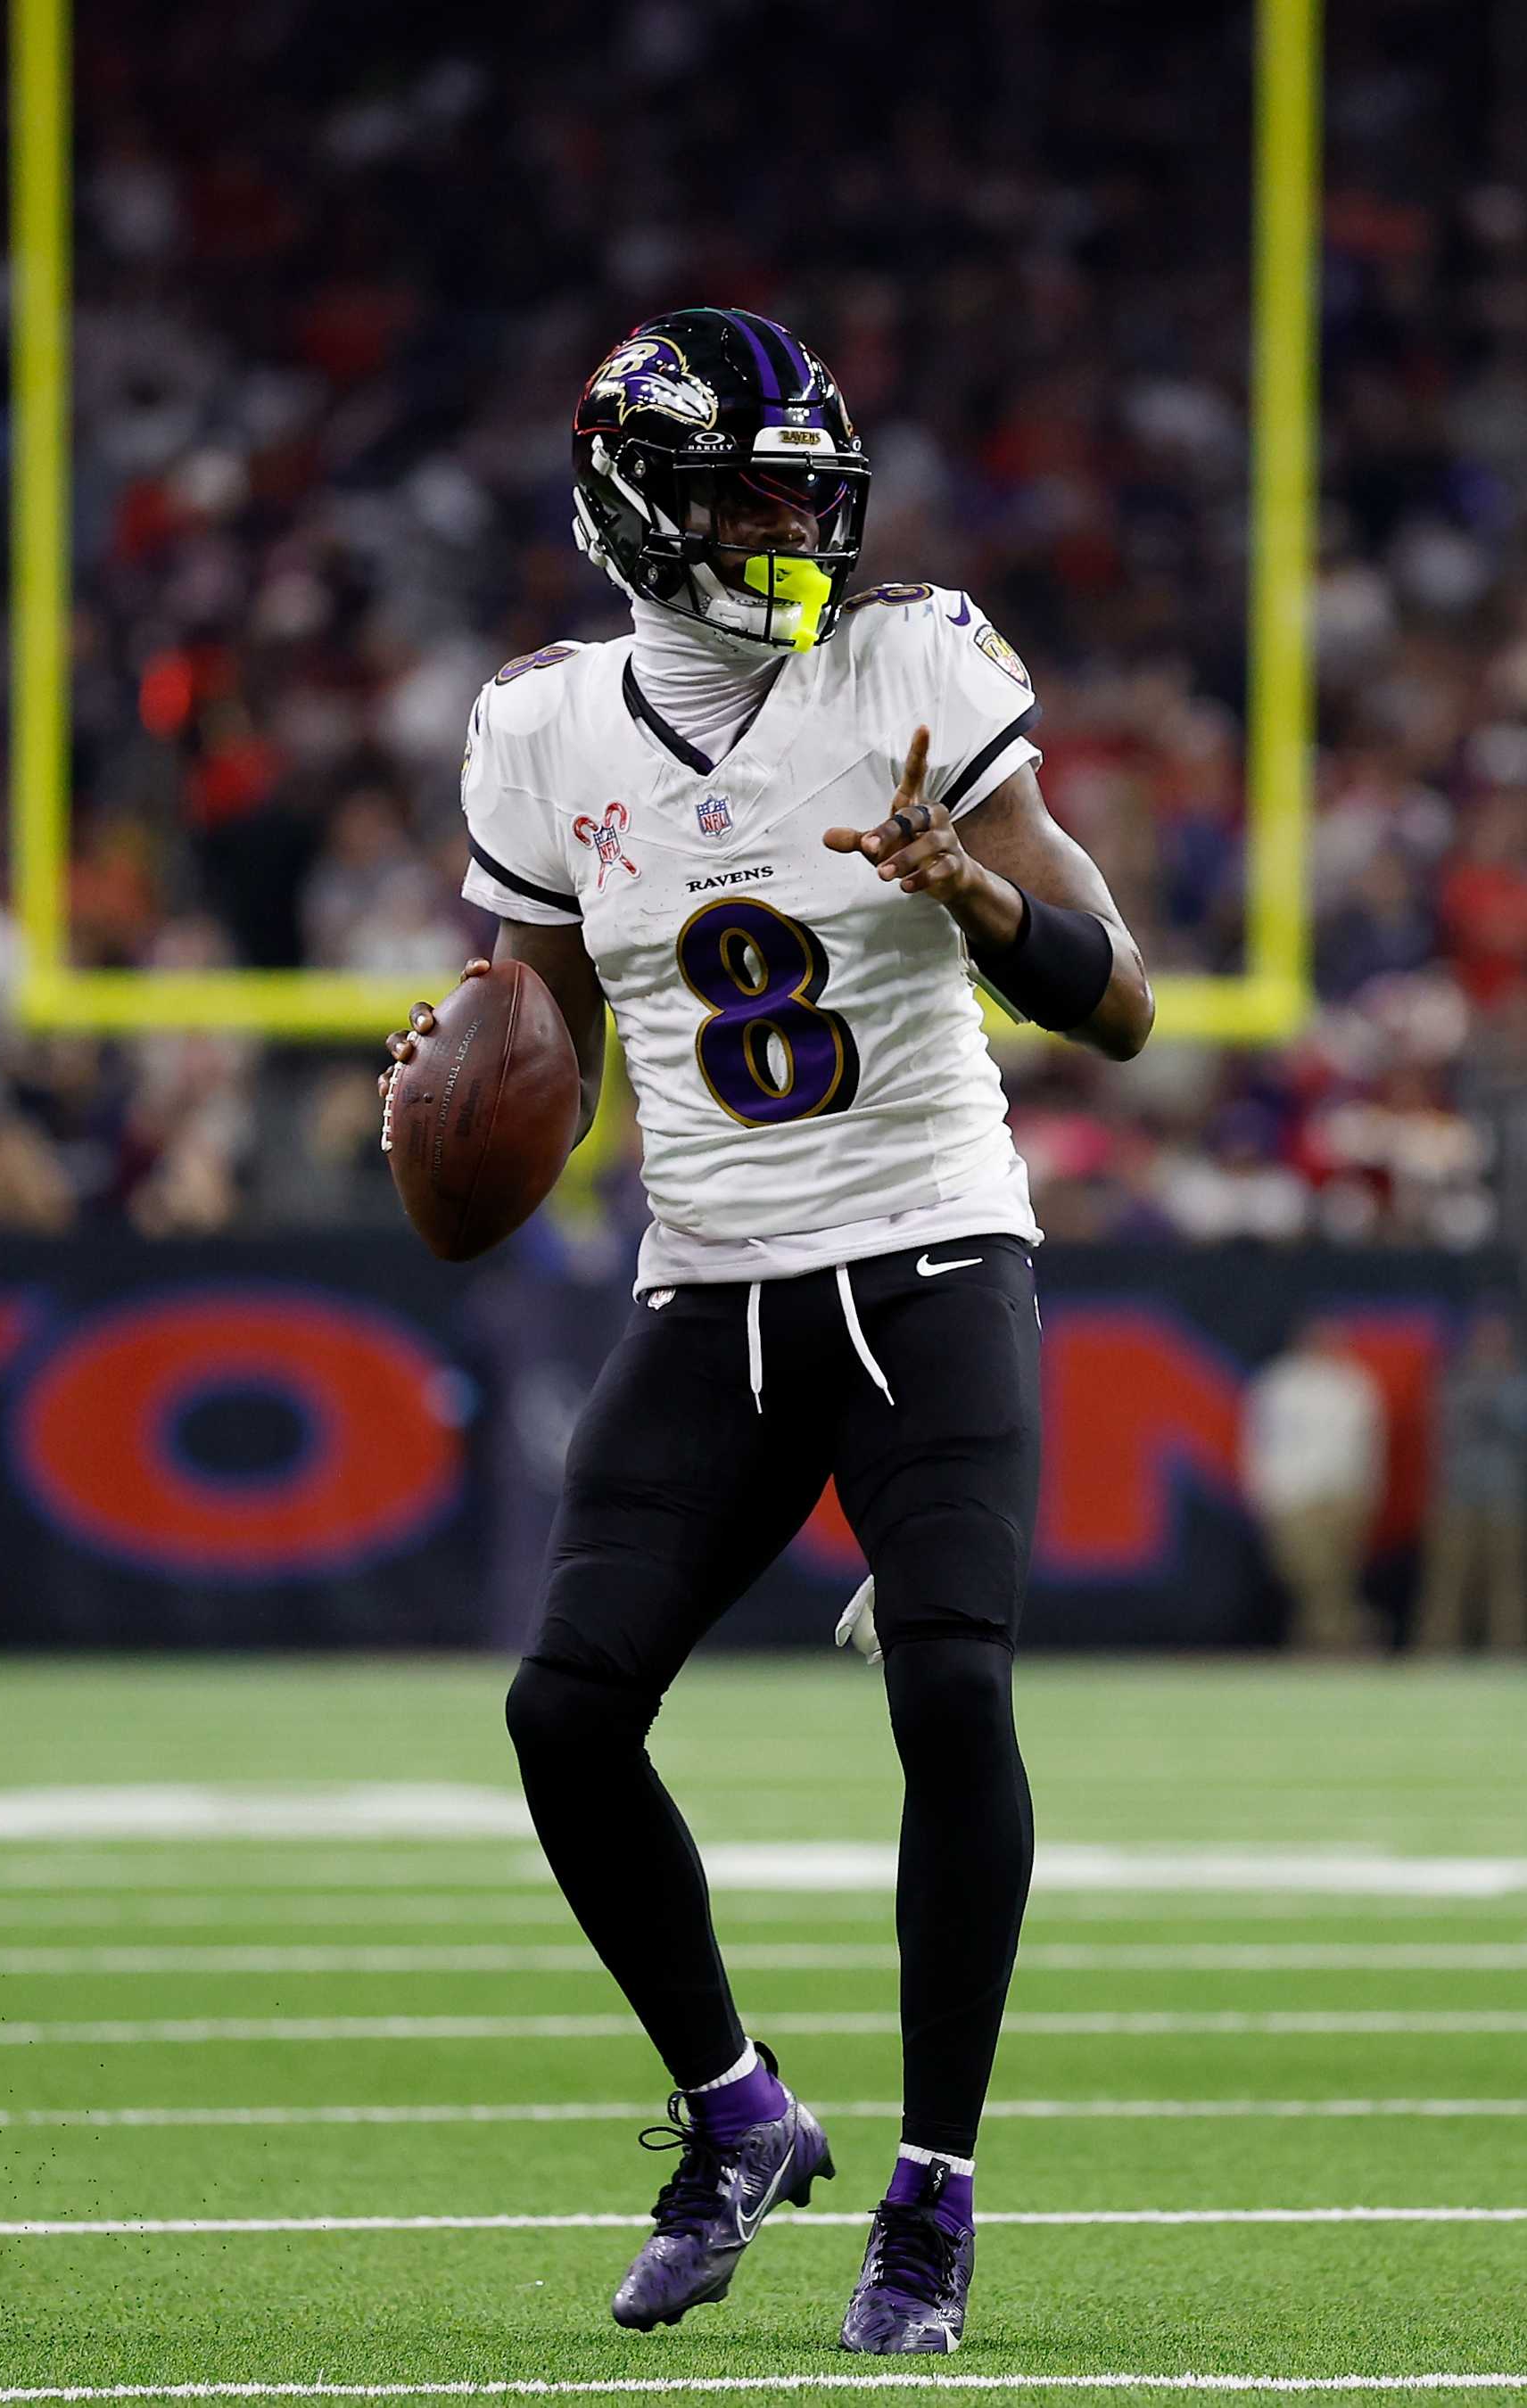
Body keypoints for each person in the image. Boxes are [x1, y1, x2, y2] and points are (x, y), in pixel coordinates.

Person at [381, 309, 1153, 2356]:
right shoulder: (543, 729)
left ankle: (934, 2195)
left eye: (805, 487)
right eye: (739, 490)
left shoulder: (912, 664)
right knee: (563, 1708)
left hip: (927, 1248)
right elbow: (531, 1037)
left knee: (951, 1691)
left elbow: (1123, 1000)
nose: (785, 522)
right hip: (709, 1277)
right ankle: (736, 2109)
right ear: (637, 506)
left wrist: (979, 907)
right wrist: (454, 1079)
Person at [1240, 1321, 1387, 1650]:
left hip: (1342, 1493)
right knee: (1306, 1574)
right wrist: (1261, 1491)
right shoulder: (1278, 1383)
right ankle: (1352, 1632)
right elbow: (1260, 1442)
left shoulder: (1353, 1383)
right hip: (1293, 1494)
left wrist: (1368, 1493)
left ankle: (1319, 1645)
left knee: (1337, 1575)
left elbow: (1368, 1445)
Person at [1418, 1308, 1527, 1652]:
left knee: (1507, 1576)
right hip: (1458, 1491)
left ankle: (1509, 1646)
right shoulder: (1455, 1380)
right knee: (1449, 1577)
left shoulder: (1517, 1381)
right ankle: (1438, 1645)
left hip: (1505, 1492)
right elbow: (1447, 1429)